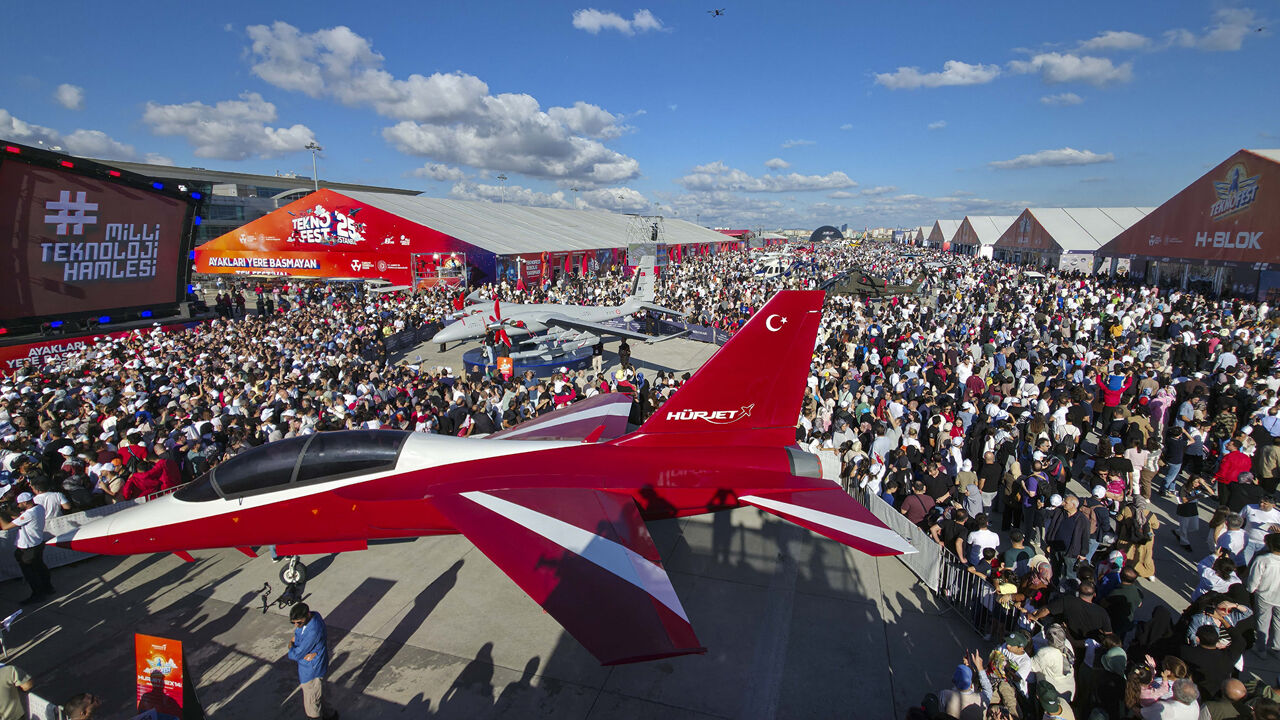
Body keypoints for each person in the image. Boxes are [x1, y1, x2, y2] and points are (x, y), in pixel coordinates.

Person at [287, 603, 338, 720]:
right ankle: (331, 715)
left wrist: (291, 645)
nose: (296, 626)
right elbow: (299, 640)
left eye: (298, 622)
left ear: (307, 615)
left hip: (311, 670)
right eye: (293, 622)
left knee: (311, 703)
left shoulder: (312, 632)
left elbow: (296, 654)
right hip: (313, 665)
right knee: (316, 696)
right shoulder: (313, 617)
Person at [0, 492, 53, 603]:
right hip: (37, 544)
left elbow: (5, 527)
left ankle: (37, 594)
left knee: (30, 573)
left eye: (19, 504)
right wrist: (7, 511)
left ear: (25, 502)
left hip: (28, 548)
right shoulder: (39, 508)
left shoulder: (28, 514)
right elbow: (19, 518)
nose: (18, 506)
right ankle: (48, 588)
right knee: (40, 567)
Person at [1248, 532, 1280, 657]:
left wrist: (1250, 589)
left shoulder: (1262, 560)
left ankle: (1261, 649)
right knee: (1278, 623)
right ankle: (1277, 648)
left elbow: (1254, 579)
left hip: (1264, 595)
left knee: (1263, 621)